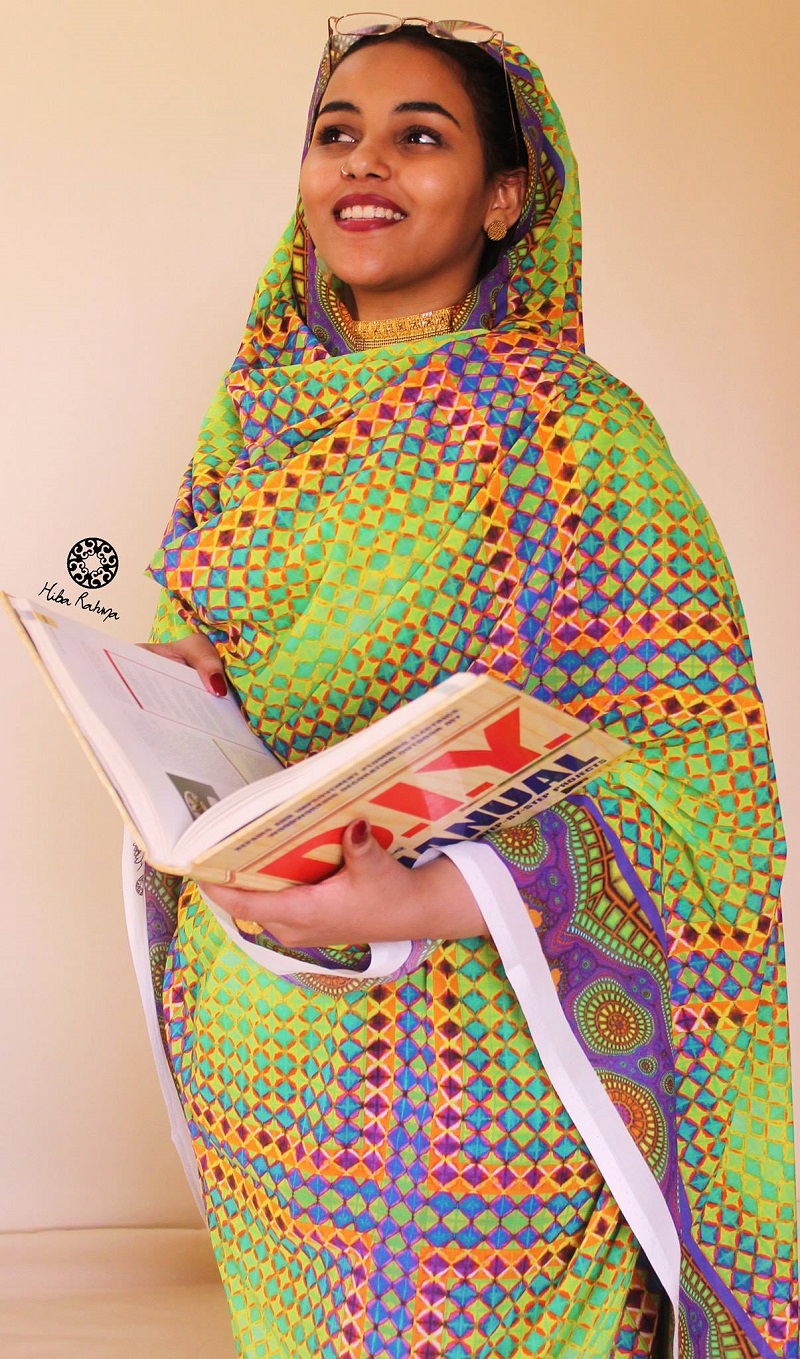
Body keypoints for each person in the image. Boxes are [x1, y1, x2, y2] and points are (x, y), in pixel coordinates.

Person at [125, 17, 797, 1358]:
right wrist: (182, 681)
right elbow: (204, 673)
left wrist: (433, 897)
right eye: (337, 133)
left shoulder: (570, 431)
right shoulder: (251, 419)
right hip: (267, 1028)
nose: (363, 163)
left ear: (503, 199)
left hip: (477, 1046)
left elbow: (701, 777)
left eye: (418, 136)